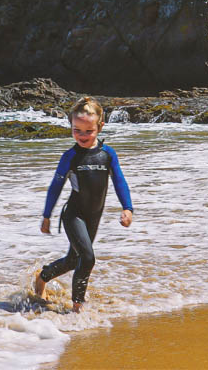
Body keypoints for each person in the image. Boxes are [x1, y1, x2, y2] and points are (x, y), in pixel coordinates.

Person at [34, 96, 133, 313]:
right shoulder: (69, 157)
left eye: (88, 131)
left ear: (100, 126)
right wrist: (47, 215)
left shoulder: (107, 154)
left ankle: (42, 278)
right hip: (74, 215)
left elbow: (119, 181)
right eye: (76, 130)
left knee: (73, 260)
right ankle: (76, 308)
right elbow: (55, 187)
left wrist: (127, 208)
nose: (82, 136)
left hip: (94, 216)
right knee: (87, 258)